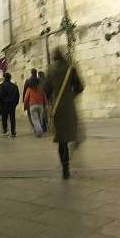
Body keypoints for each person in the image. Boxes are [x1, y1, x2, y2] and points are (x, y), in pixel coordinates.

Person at [43, 48, 84, 179]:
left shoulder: (50, 70)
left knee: (61, 141)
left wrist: (50, 101)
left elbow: (45, 89)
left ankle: (65, 168)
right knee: (69, 134)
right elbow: (80, 87)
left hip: (57, 108)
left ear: (54, 57)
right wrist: (71, 95)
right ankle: (71, 155)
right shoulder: (70, 68)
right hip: (69, 107)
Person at [0, 72, 20, 137]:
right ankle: (13, 131)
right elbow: (17, 96)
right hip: (12, 104)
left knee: (4, 118)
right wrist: (15, 104)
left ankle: (5, 130)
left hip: (4, 104)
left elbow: (0, 96)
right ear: (10, 78)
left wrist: (0, 103)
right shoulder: (14, 86)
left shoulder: (1, 85)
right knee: (12, 118)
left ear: (4, 78)